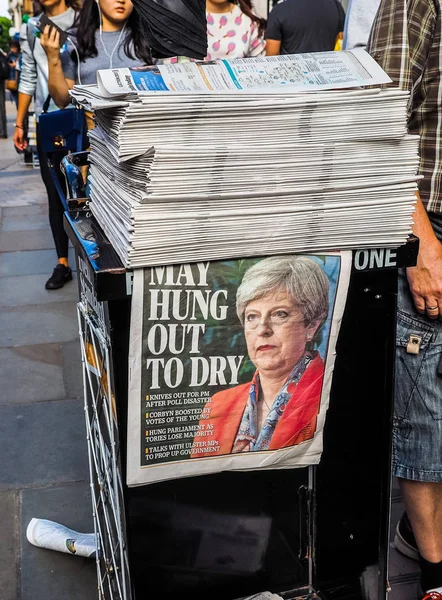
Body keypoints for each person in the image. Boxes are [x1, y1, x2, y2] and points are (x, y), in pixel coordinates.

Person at [368, 2, 442, 599]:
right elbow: (381, 121)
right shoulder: (414, 5)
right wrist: (422, 245)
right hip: (430, 229)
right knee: (423, 414)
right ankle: (431, 568)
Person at [191, 255, 329, 458]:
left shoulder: (329, 392)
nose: (262, 329)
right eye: (252, 317)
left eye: (279, 314)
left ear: (311, 326)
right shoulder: (218, 404)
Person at [14, 0, 79, 290]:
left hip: (85, 116)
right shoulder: (32, 27)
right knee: (55, 192)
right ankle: (62, 262)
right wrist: (20, 122)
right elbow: (28, 74)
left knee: (90, 190)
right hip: (50, 119)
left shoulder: (84, 18)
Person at [40, 0, 152, 109]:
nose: (121, 1)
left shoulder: (149, 40)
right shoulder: (75, 41)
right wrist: (53, 58)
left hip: (141, 124)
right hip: (90, 124)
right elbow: (61, 101)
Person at [265, 0, 345, 56]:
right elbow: (341, 39)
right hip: (324, 71)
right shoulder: (336, 6)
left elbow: (272, 53)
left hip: (293, 73)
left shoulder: (280, 10)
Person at [6, 38, 21, 106]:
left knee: (20, 100)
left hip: (20, 80)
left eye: (14, 47)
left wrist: (17, 65)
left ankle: (24, 114)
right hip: (12, 80)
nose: (12, 49)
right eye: (11, 47)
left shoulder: (21, 56)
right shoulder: (9, 55)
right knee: (16, 100)